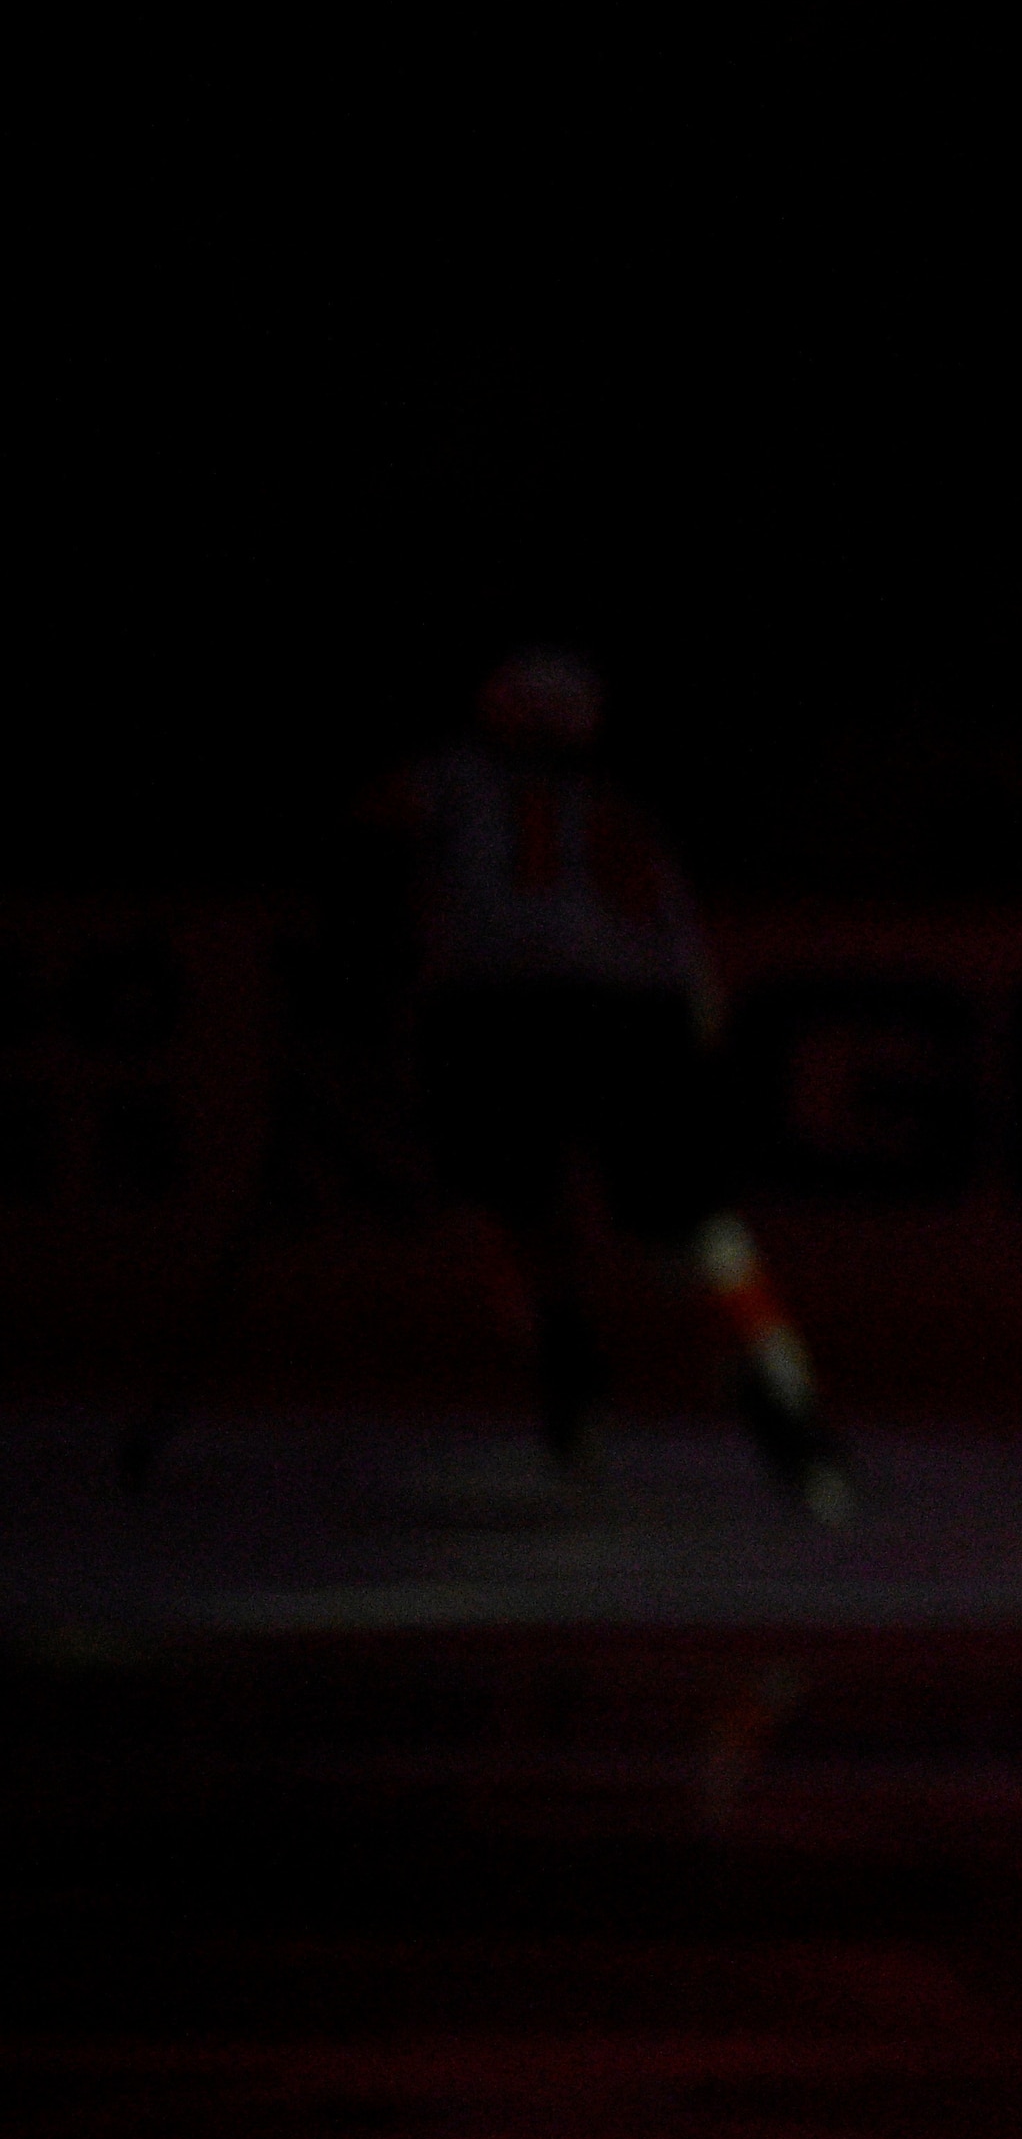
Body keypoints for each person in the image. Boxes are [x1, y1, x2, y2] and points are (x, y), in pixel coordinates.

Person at [371, 649, 849, 1519]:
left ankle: (571, 1361)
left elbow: (371, 848)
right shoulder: (622, 807)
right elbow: (683, 953)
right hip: (630, 1016)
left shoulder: (452, 784)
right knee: (692, 1233)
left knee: (516, 1207)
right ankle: (780, 1399)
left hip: (502, 1013)